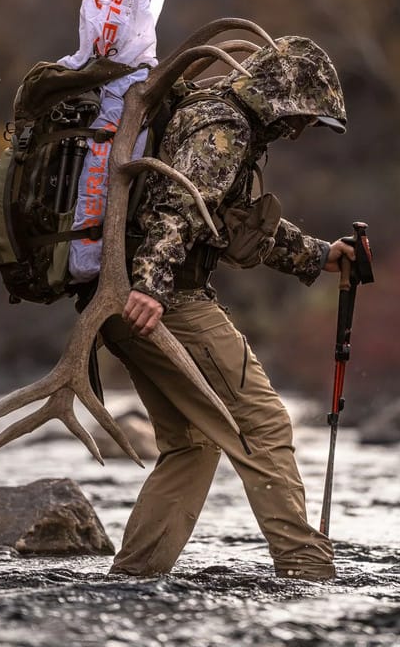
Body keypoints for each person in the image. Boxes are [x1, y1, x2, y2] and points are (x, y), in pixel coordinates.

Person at [99, 36, 355, 580]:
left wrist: (320, 255)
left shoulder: (217, 119)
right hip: (168, 302)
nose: (302, 129)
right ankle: (306, 572)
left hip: (129, 300)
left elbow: (230, 221)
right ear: (283, 98)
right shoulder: (223, 126)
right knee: (263, 423)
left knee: (192, 444)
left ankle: (134, 581)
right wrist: (151, 286)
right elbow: (177, 206)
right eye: (305, 117)